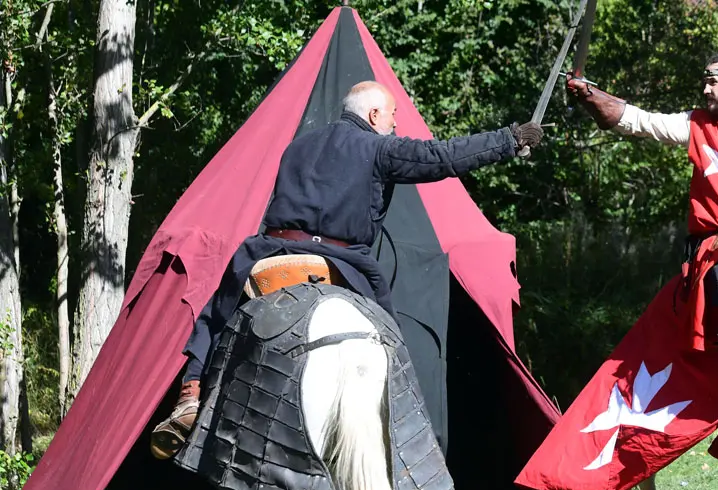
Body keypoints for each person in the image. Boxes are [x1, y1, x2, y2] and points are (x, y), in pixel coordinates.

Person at [149, 80, 544, 460]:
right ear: (374, 115)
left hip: (271, 249)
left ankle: (191, 392)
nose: (394, 125)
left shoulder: (296, 148)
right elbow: (442, 157)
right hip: (341, 261)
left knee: (215, 315)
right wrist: (509, 139)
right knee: (390, 344)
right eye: (392, 116)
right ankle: (402, 428)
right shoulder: (379, 148)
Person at [565, 53, 718, 442]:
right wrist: (590, 96)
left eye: (712, 82)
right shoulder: (695, 125)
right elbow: (635, 119)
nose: (704, 89)